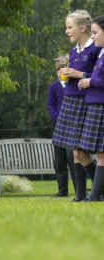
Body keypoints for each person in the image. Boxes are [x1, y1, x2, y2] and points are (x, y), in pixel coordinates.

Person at [53, 9, 100, 201]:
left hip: (86, 103)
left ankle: (98, 191)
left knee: (79, 152)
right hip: (70, 101)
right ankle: (81, 195)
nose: (67, 31)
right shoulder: (74, 51)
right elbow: (74, 75)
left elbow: (98, 77)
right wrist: (64, 76)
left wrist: (79, 74)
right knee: (75, 153)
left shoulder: (96, 49)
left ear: (82, 28)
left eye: (69, 27)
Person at [77, 15, 104, 201]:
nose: (92, 37)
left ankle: (94, 197)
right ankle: (96, 195)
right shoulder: (101, 53)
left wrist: (90, 81)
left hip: (101, 106)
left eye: (95, 32)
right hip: (95, 104)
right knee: (99, 153)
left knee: (102, 154)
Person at [48, 55, 76, 197]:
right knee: (59, 160)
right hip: (58, 127)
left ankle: (79, 190)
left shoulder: (75, 86)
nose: (61, 72)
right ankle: (62, 190)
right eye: (59, 69)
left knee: (72, 157)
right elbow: (51, 106)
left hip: (72, 127)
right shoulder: (53, 87)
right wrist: (58, 120)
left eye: (64, 69)